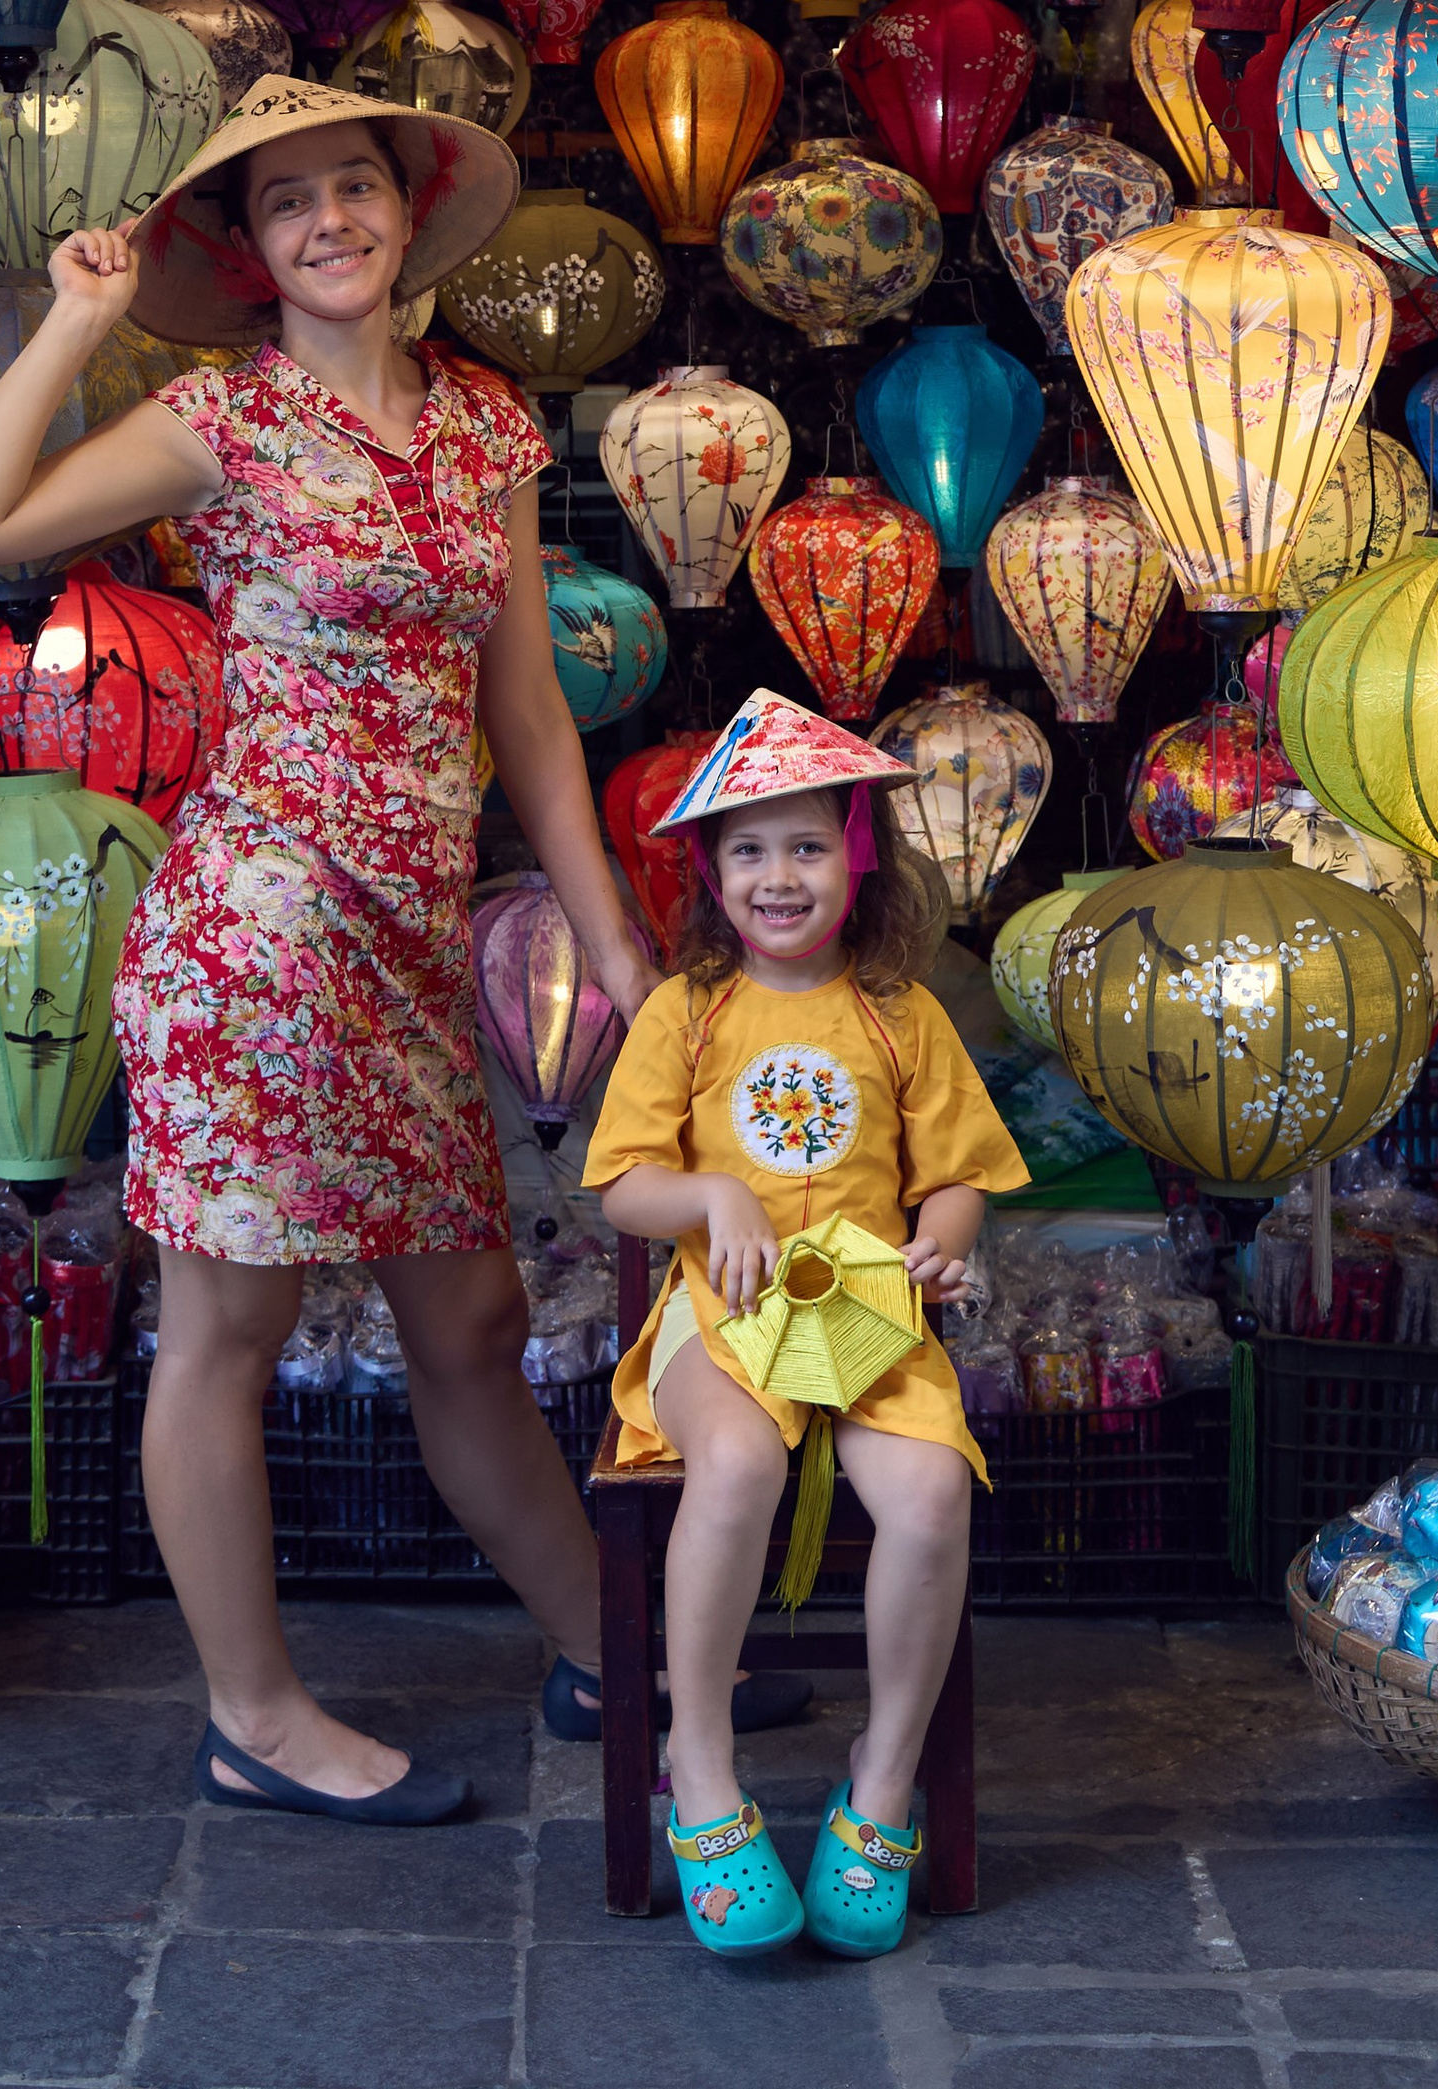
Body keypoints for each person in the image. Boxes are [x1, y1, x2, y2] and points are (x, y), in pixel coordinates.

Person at [0, 74, 802, 1824]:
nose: (328, 219)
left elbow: (531, 714)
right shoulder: (218, 421)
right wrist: (76, 321)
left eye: (354, 187)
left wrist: (612, 944)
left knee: (468, 1318)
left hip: (402, 943)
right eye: (287, 202)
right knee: (226, 1327)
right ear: (246, 251)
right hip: (253, 934)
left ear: (407, 213)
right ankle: (255, 1714)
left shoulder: (484, 427)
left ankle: (611, 1647)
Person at [587, 691, 1028, 1960]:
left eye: (805, 845)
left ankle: (880, 1777)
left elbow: (957, 1172)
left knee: (934, 1493)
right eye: (746, 849)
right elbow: (623, 1183)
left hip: (868, 1322)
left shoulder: (903, 1012)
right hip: (721, 1325)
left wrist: (945, 1237)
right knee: (734, 1461)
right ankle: (703, 1762)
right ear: (708, 872)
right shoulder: (688, 1012)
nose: (777, 875)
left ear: (858, 858)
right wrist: (710, 1190)